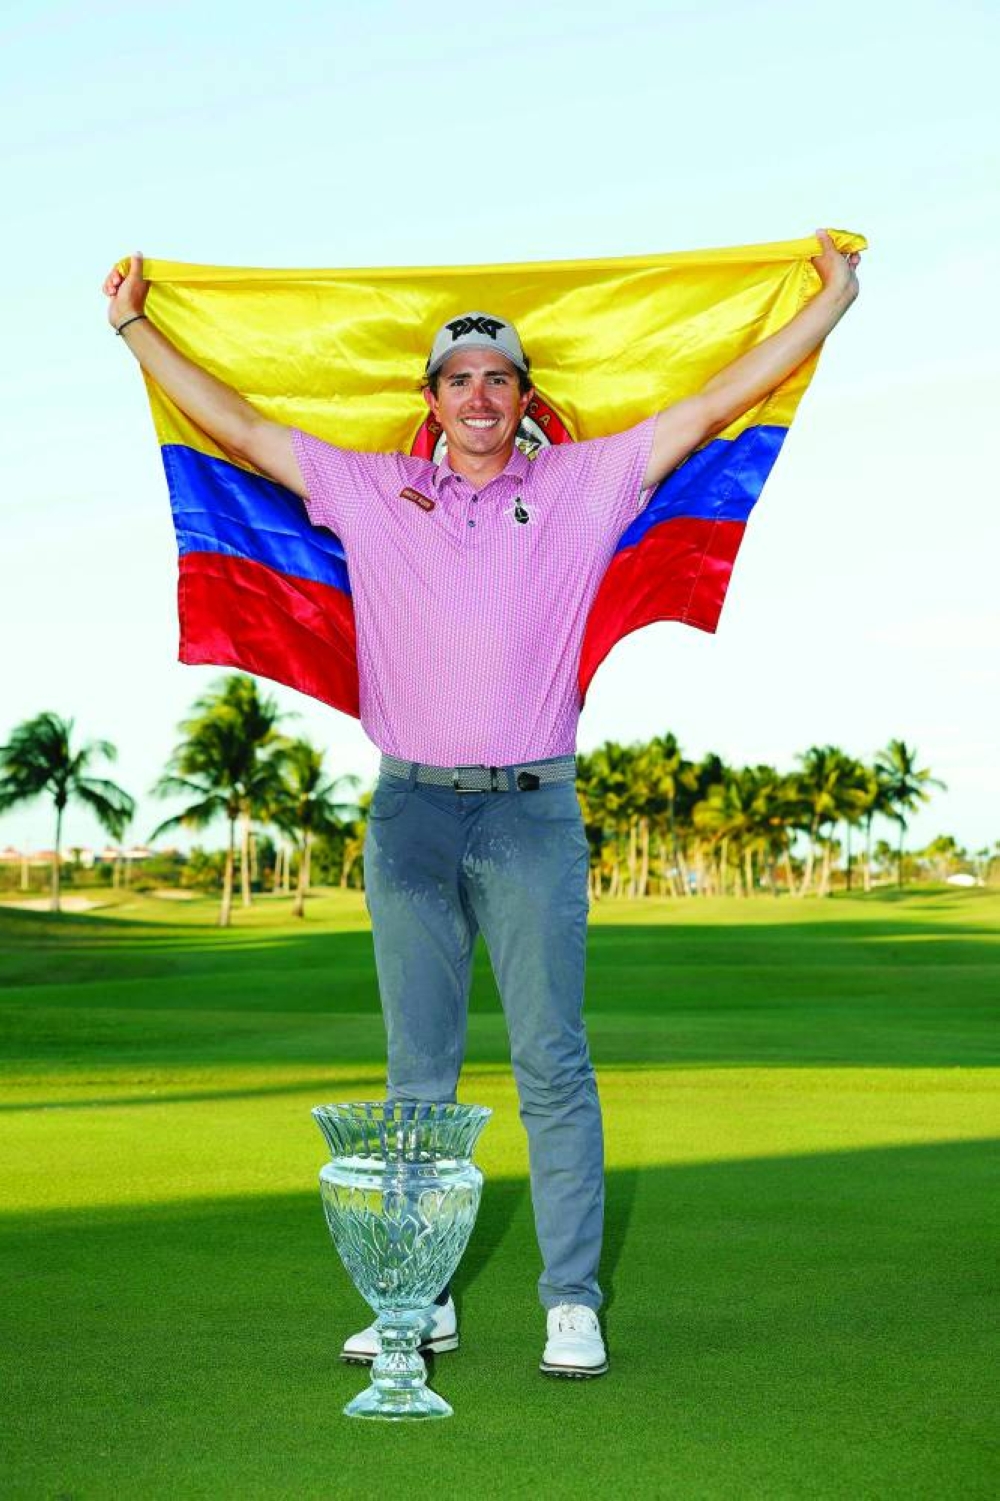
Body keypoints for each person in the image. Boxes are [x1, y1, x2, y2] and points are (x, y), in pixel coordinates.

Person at [103, 234, 860, 1377]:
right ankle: (420, 1298)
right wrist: (134, 331)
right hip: (408, 815)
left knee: (552, 1062)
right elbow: (243, 430)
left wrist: (831, 305)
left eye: (497, 377)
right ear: (431, 401)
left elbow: (714, 402)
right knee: (418, 1078)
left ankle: (569, 1300)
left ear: (523, 399)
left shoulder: (580, 483)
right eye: (457, 378)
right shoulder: (370, 487)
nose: (478, 394)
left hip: (529, 814)